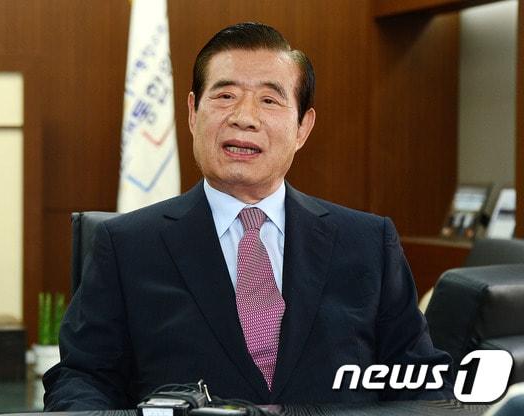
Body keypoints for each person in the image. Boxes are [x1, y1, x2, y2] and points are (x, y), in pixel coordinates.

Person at [43, 22, 453, 410]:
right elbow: (84, 378)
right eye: (225, 96)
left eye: (269, 100)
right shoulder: (127, 246)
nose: (244, 117)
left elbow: (420, 379)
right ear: (192, 112)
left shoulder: (367, 242)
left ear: (302, 127)